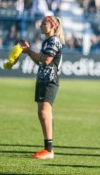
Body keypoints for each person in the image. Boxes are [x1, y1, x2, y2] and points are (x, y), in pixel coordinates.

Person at [20, 15, 65, 159]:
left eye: (44, 23)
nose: (41, 25)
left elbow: (46, 60)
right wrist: (29, 51)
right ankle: (48, 148)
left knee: (44, 113)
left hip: (49, 81)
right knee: (43, 113)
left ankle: (48, 150)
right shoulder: (47, 41)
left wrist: (30, 51)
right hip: (42, 80)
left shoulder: (54, 40)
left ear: (52, 26)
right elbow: (39, 61)